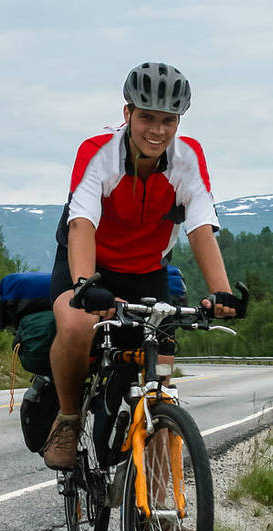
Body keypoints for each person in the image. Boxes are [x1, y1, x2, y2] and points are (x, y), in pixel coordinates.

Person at [43, 61, 244, 470]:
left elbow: (201, 225)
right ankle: (67, 419)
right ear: (127, 114)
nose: (157, 130)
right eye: (147, 117)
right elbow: (81, 223)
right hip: (90, 263)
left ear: (178, 121)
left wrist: (221, 292)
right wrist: (84, 285)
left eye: (168, 120)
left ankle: (160, 510)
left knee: (160, 382)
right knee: (77, 324)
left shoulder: (188, 158)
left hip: (146, 270)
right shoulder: (97, 153)